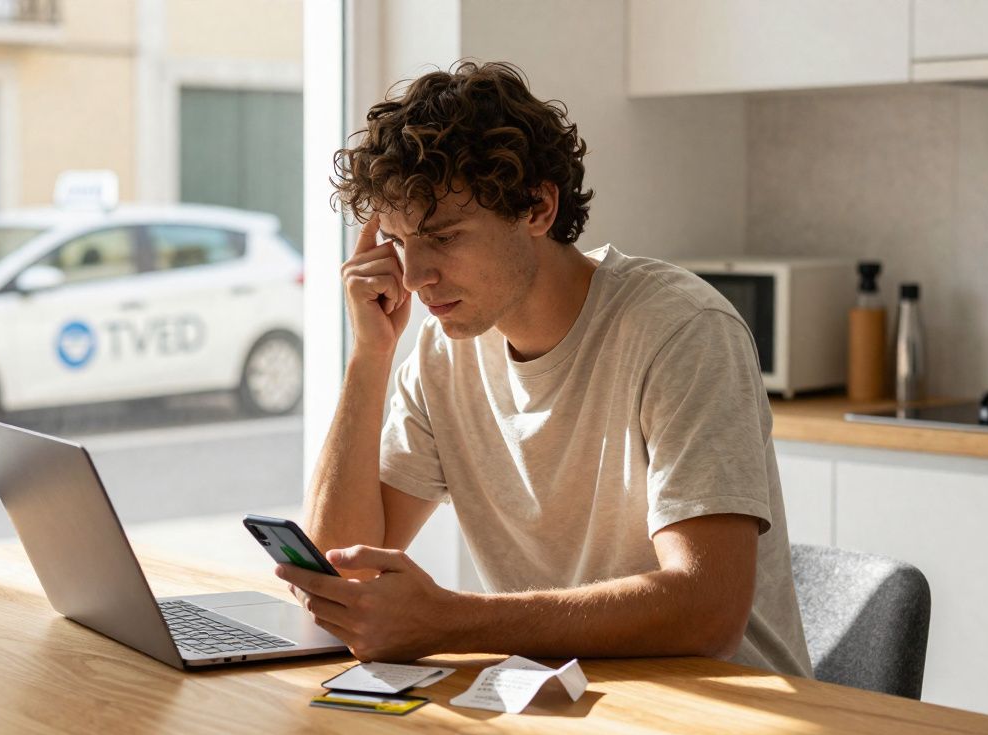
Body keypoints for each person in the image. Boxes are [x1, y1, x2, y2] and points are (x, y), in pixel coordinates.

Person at [275, 61, 812, 677]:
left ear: (536, 206)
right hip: (564, 703)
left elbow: (706, 612)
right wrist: (368, 358)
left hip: (725, 709)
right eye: (398, 243)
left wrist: (450, 620)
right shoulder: (440, 354)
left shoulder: (681, 331)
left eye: (443, 237)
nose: (415, 276)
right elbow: (339, 579)